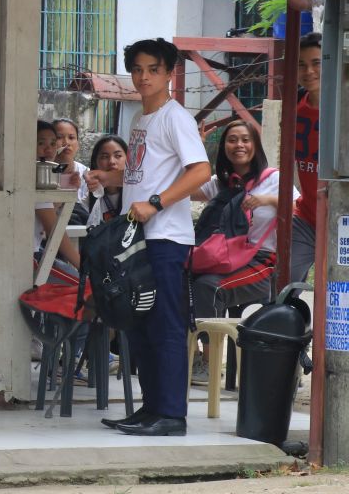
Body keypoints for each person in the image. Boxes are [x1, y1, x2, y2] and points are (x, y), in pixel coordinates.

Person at [85, 38, 210, 437]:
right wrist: (109, 178)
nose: (143, 77)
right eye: (137, 69)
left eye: (152, 69)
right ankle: (150, 409)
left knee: (165, 326)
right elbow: (143, 174)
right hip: (138, 240)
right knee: (137, 324)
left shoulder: (175, 118)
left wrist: (155, 204)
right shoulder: (142, 119)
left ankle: (171, 414)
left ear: (169, 73)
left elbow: (200, 171)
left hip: (166, 239)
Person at [187, 119, 290, 383]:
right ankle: (192, 355)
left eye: (245, 139)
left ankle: (209, 366)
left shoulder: (274, 179)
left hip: (261, 263)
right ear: (223, 147)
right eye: (232, 140)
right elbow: (185, 189)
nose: (239, 145)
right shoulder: (220, 183)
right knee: (179, 280)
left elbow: (297, 206)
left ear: (255, 145)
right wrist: (194, 149)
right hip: (225, 259)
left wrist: (268, 200)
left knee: (210, 287)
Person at [290, 32, 322, 283]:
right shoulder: (295, 105)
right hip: (306, 217)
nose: (309, 71)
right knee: (282, 284)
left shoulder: (343, 107)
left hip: (341, 218)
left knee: (335, 289)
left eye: (317, 62)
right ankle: (287, 321)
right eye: (302, 64)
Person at [34, 121, 82, 277]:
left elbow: (45, 218)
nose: (48, 149)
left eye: (53, 143)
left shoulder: (45, 179)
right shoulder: (33, 180)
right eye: (41, 143)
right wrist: (84, 267)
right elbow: (54, 232)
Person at [85, 135, 127, 227]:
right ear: (95, 163)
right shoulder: (86, 194)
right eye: (104, 157)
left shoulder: (136, 192)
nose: (112, 161)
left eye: (118, 156)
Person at [53, 118, 91, 209]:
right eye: (59, 137)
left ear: (78, 144)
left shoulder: (86, 174)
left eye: (71, 137)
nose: (66, 143)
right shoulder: (43, 173)